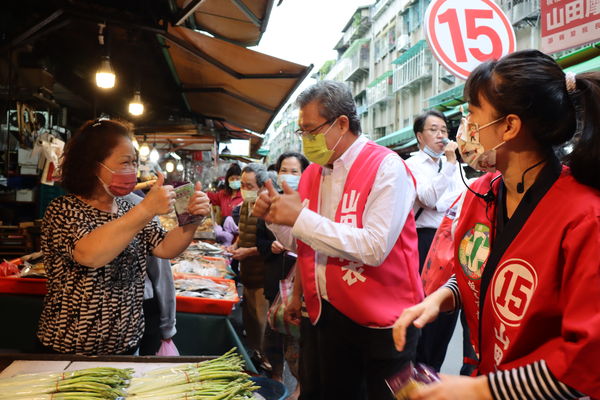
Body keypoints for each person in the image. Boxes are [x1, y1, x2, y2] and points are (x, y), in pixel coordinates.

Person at [392, 50, 600, 400]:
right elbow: (481, 270)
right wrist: (443, 297)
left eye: (471, 113)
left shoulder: (584, 217)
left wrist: (479, 388)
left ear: (509, 126)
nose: (463, 126)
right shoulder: (482, 193)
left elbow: (589, 360)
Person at [254, 81, 424, 400]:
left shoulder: (387, 167)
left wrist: (299, 218)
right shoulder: (314, 174)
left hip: (384, 321)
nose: (305, 140)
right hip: (328, 313)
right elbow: (303, 241)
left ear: (341, 123)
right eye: (302, 133)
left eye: (311, 131)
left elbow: (373, 248)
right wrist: (276, 220)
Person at [38, 119, 210, 355]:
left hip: (128, 345)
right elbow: (90, 255)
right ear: (92, 165)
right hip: (68, 348)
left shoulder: (129, 207)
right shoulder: (63, 210)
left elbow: (164, 247)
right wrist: (147, 208)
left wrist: (192, 220)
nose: (133, 170)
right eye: (125, 162)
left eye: (134, 162)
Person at [405, 110, 466, 372]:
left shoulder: (452, 163)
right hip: (425, 239)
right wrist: (450, 165)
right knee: (425, 305)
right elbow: (429, 199)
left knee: (447, 308)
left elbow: (459, 197)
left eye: (443, 129)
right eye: (433, 129)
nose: (441, 135)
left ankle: (433, 371)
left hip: (451, 237)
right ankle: (417, 369)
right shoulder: (412, 165)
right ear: (420, 136)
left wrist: (451, 166)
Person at [256, 152, 308, 398]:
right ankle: (277, 377)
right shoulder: (268, 201)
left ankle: (299, 386)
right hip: (277, 278)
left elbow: (305, 246)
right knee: (276, 337)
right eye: (283, 170)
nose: (288, 175)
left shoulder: (308, 202)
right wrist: (272, 244)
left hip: (302, 283)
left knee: (299, 344)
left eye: (294, 171)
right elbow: (260, 240)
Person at [228, 163, 274, 368]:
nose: (244, 189)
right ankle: (255, 354)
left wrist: (247, 251)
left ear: (262, 185)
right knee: (251, 320)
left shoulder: (270, 207)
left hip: (263, 273)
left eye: (249, 185)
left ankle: (269, 361)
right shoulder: (246, 205)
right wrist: (236, 245)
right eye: (243, 185)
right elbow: (243, 232)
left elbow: (273, 245)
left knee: (263, 322)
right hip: (246, 273)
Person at [123, 192, 177, 356]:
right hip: (139, 308)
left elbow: (162, 271)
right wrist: (168, 327)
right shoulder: (67, 208)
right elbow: (162, 277)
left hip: (141, 310)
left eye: (133, 163)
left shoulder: (142, 209)